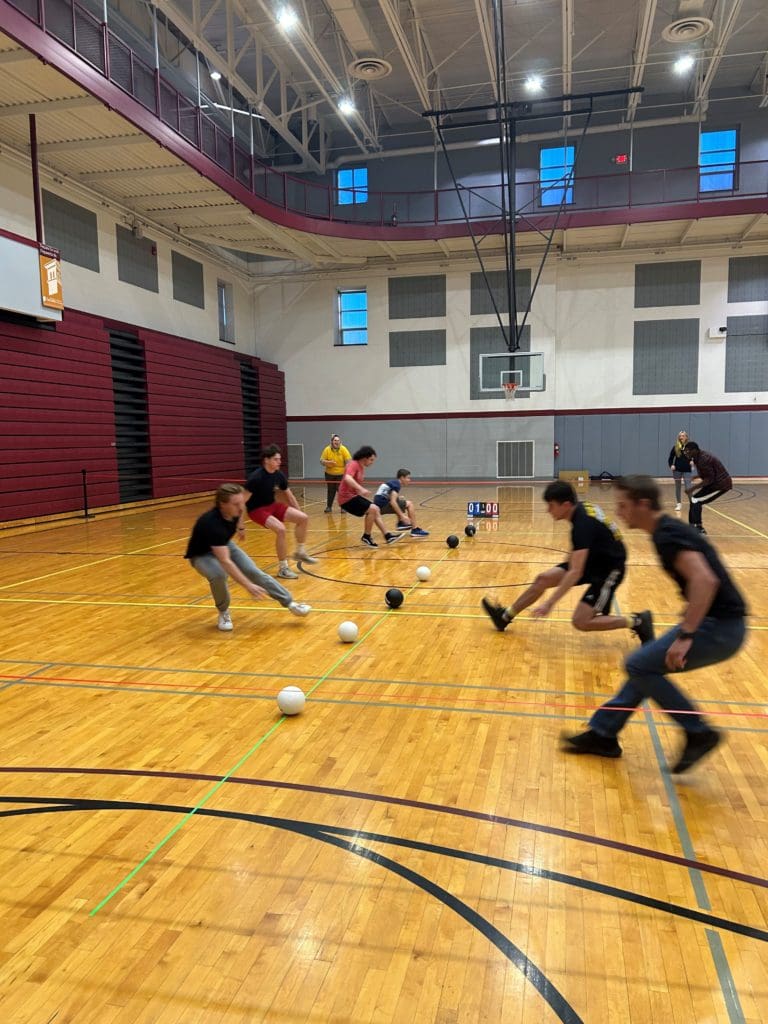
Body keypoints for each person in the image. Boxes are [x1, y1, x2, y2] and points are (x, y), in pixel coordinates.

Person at [562, 475, 746, 773]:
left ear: (643, 504)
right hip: (715, 622)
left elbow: (705, 580)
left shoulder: (667, 536)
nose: (619, 512)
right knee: (645, 666)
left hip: (721, 628)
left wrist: (686, 634)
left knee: (639, 665)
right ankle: (603, 734)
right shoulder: (665, 532)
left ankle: (698, 731)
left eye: (623, 506)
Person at [481, 480, 653, 641]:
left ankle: (637, 621)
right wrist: (563, 570)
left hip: (608, 569)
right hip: (593, 560)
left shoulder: (582, 524)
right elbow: (579, 551)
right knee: (543, 579)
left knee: (581, 621)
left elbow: (576, 571)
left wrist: (549, 603)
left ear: (566, 505)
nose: (548, 510)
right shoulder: (580, 511)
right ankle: (504, 617)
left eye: (551, 505)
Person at [185, 483, 311, 631]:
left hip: (224, 544)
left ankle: (290, 603)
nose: (240, 508)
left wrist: (241, 527)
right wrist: (248, 585)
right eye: (235, 504)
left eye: (241, 503)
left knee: (253, 571)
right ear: (222, 505)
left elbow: (241, 509)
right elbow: (225, 561)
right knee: (219, 574)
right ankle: (223, 611)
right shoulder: (212, 524)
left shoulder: (234, 511)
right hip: (201, 554)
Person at [244, 445, 318, 579]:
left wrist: (300, 513)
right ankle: (283, 568)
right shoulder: (256, 477)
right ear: (266, 460)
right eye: (276, 459)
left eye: (280, 459)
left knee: (303, 518)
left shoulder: (278, 474)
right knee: (281, 530)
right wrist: (239, 524)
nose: (279, 462)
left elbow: (289, 496)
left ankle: (300, 552)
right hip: (256, 510)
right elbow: (242, 500)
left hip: (271, 505)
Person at [337, 445, 403, 547]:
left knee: (375, 510)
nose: (372, 462)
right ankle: (366, 536)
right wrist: (360, 489)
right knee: (373, 509)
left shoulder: (361, 468)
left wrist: (360, 493)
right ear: (365, 458)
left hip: (352, 497)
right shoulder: (353, 464)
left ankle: (387, 536)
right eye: (371, 460)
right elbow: (347, 478)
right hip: (346, 499)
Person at [683, 442, 732, 535]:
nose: (686, 453)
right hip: (713, 484)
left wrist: (692, 488)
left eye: (687, 451)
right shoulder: (697, 457)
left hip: (720, 485)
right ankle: (691, 526)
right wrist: (697, 476)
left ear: (694, 450)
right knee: (693, 500)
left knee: (696, 501)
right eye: (685, 451)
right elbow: (707, 473)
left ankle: (699, 528)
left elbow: (709, 479)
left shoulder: (704, 459)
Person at [373, 469, 429, 537]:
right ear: (402, 477)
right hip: (382, 506)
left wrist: (398, 498)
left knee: (400, 500)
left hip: (377, 505)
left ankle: (401, 524)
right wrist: (402, 516)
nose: (409, 480)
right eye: (408, 478)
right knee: (409, 504)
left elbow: (387, 496)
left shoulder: (392, 482)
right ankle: (415, 529)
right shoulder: (397, 484)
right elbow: (392, 502)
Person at [319, 434, 351, 512]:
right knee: (330, 490)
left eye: (338, 440)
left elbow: (349, 461)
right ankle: (329, 507)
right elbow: (321, 461)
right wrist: (328, 462)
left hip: (341, 474)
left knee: (340, 490)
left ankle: (343, 507)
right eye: (335, 440)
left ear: (340, 442)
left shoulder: (343, 449)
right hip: (329, 474)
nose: (337, 442)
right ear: (332, 442)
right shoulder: (327, 449)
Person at [668, 430, 692, 512]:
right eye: (680, 436)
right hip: (677, 470)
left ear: (686, 437)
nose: (681, 437)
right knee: (678, 487)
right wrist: (671, 465)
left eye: (683, 436)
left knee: (688, 487)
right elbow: (670, 458)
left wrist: (693, 461)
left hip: (687, 470)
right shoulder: (675, 447)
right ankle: (678, 504)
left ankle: (692, 504)